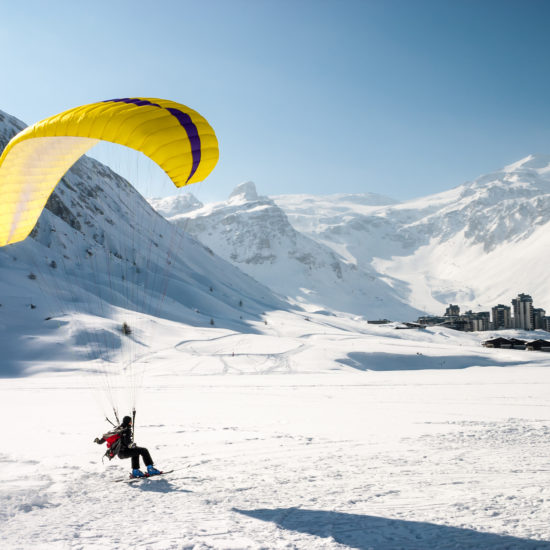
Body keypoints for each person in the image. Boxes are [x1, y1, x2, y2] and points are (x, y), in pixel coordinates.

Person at [95, 415, 162, 478]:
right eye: (131, 421)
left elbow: (103, 439)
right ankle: (150, 469)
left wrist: (98, 441)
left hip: (120, 453)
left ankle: (135, 472)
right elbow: (128, 443)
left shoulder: (117, 429)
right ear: (129, 422)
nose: (131, 423)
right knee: (144, 450)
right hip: (124, 452)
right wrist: (132, 445)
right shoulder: (126, 430)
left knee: (136, 452)